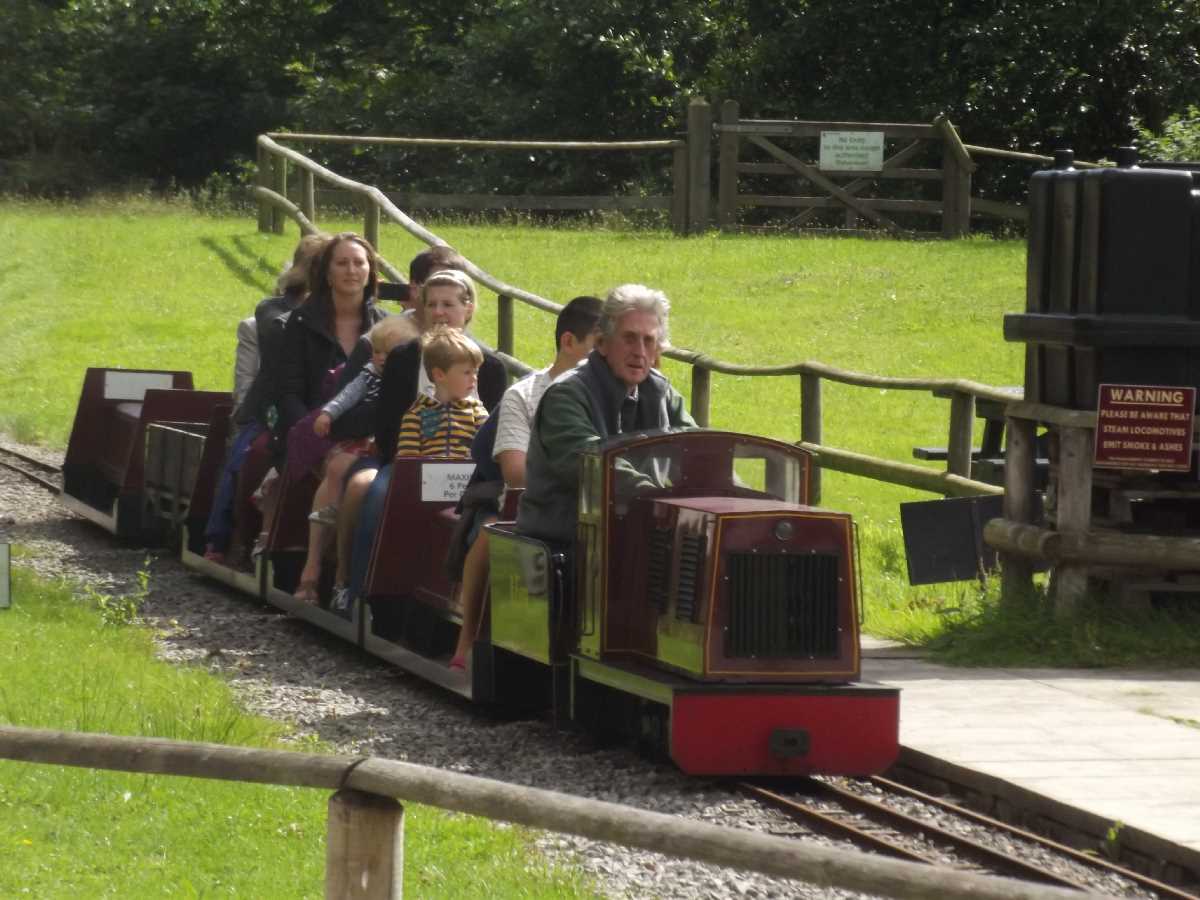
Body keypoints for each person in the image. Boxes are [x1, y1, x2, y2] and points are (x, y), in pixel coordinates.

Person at [331, 268, 508, 610]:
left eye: (449, 304)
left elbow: (491, 435)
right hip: (408, 460)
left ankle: (464, 602)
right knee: (379, 494)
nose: (440, 313)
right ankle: (361, 591)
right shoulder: (404, 358)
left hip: (464, 469)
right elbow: (387, 429)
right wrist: (415, 462)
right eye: (432, 305)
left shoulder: (491, 366)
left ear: (468, 309)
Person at [447, 295, 602, 670]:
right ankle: (467, 638)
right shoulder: (524, 395)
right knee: (490, 536)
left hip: (593, 511)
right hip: (521, 506)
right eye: (599, 346)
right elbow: (515, 473)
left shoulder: (616, 395)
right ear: (569, 342)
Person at [517, 284, 696, 546]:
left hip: (642, 537)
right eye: (630, 338)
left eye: (649, 341)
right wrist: (662, 501)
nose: (640, 351)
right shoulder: (566, 396)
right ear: (602, 343)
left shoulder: (662, 394)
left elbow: (701, 450)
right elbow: (594, 466)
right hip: (567, 547)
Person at [203, 232, 329, 563]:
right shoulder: (272, 315)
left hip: (321, 411)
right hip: (269, 411)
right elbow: (249, 387)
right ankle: (220, 535)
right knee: (245, 455)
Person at [275, 233, 386, 605]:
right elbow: (288, 390)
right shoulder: (302, 322)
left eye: (359, 263)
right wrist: (315, 433)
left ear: (370, 271)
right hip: (314, 428)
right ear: (327, 272)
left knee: (351, 464)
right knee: (337, 464)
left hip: (364, 429)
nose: (352, 271)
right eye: (343, 263)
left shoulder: (386, 325)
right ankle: (313, 570)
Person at [394, 325, 489, 458]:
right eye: (467, 372)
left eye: (476, 372)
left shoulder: (477, 412)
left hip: (468, 477)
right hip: (428, 477)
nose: (474, 378)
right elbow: (408, 460)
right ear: (439, 375)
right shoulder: (416, 414)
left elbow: (487, 450)